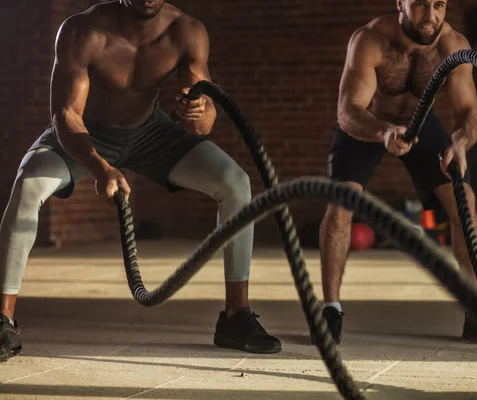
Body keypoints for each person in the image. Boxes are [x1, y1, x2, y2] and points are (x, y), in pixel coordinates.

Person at [0, 0, 282, 361]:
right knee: (28, 182)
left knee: (235, 181)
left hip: (152, 133)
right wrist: (100, 167)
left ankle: (236, 317)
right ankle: (3, 319)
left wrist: (196, 112)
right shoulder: (83, 30)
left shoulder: (185, 31)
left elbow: (202, 121)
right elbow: (66, 114)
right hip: (85, 133)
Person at [317, 0, 477, 345]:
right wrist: (382, 132)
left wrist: (461, 140)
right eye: (421, 4)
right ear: (401, 3)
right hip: (369, 123)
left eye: (439, 4)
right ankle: (331, 310)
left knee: (465, 200)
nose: (431, 16)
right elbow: (347, 110)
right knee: (340, 206)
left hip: (422, 125)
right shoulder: (370, 40)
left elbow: (469, 112)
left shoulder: (454, 46)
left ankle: (476, 310)